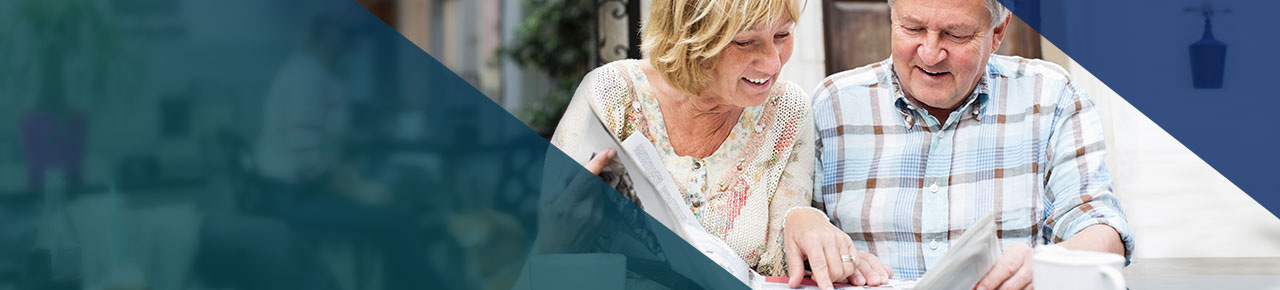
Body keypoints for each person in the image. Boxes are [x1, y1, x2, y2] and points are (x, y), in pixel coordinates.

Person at [536, 0, 893, 289]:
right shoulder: (611, 96)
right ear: (690, 38)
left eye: (782, 35)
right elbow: (546, 251)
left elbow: (783, 254)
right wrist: (558, 235)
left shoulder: (787, 110)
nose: (772, 61)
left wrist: (811, 226)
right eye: (745, 41)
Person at [811, 0, 1135, 289]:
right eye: (913, 27)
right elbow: (790, 244)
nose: (930, 53)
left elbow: (1101, 228)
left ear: (998, 33)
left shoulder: (1051, 98)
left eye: (956, 34)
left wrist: (1046, 266)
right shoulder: (832, 105)